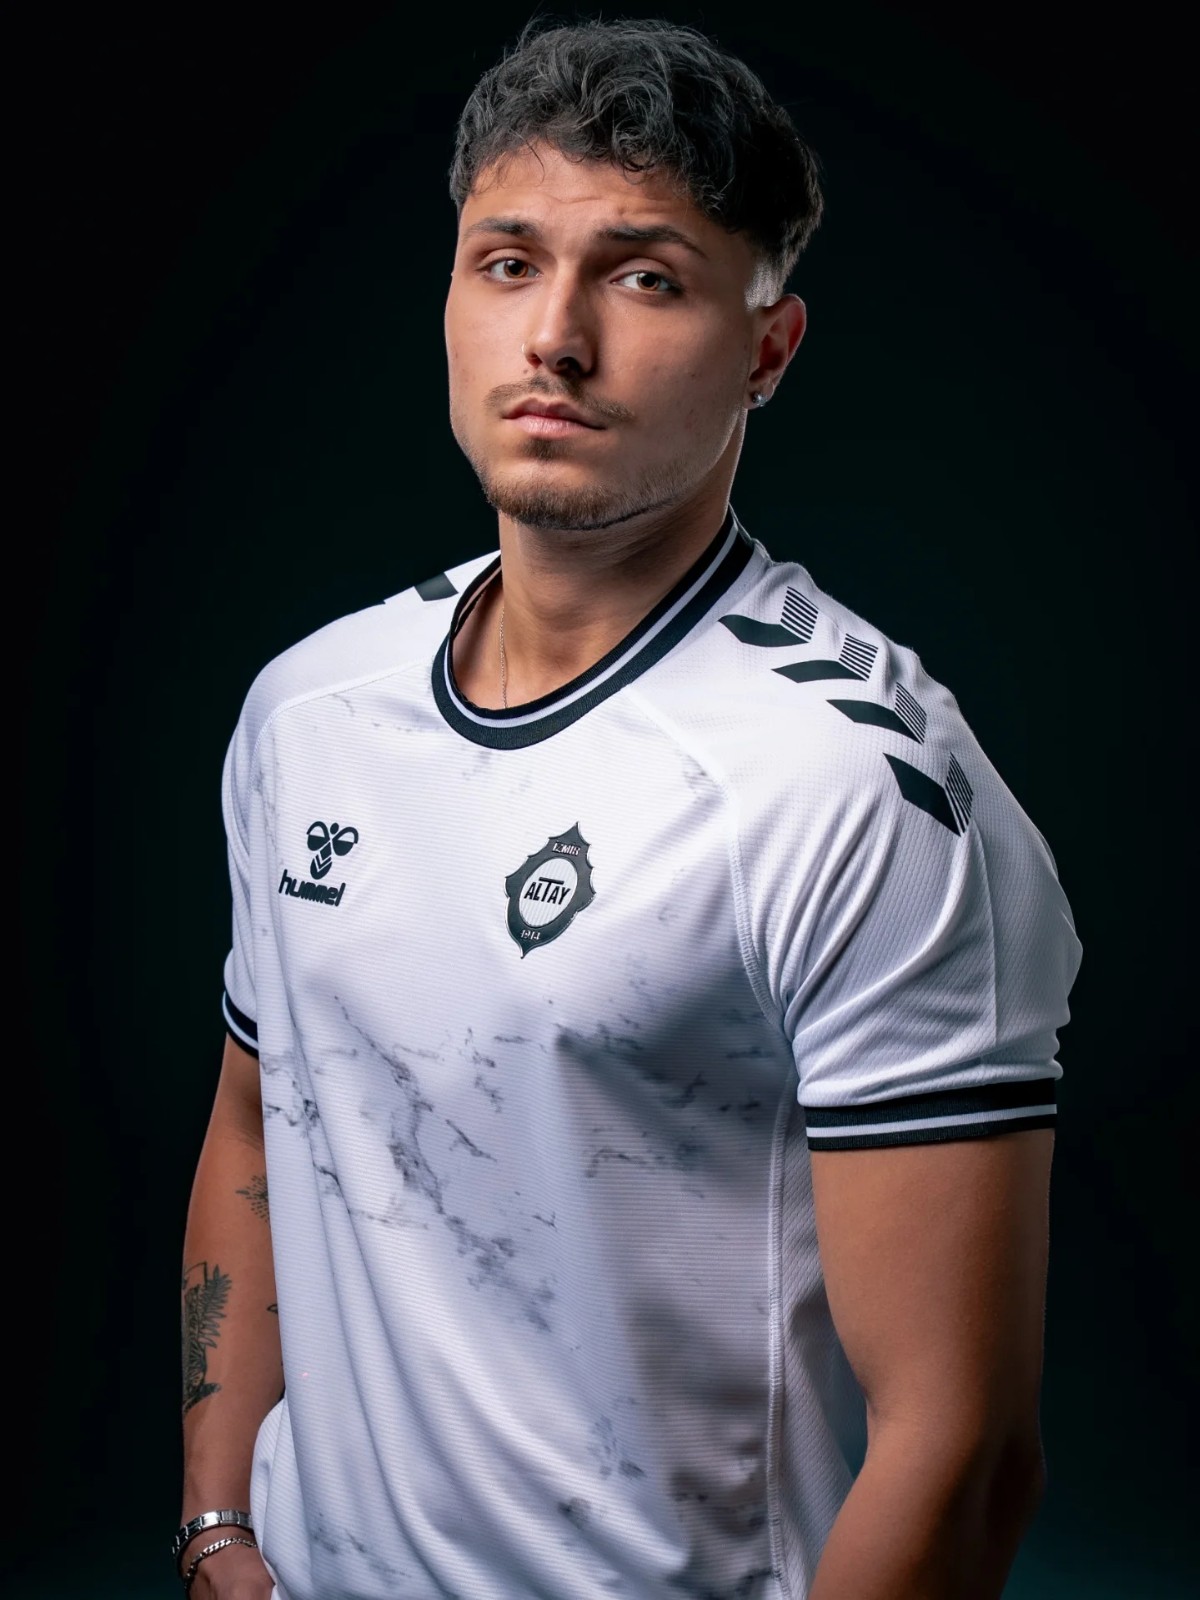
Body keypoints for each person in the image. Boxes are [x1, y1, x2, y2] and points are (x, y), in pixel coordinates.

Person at [175, 17, 1082, 1600]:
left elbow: (964, 1448)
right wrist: (215, 1530)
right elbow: (260, 1124)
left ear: (767, 351)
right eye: (507, 263)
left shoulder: (857, 789)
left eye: (646, 277)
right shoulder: (307, 711)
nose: (556, 338)